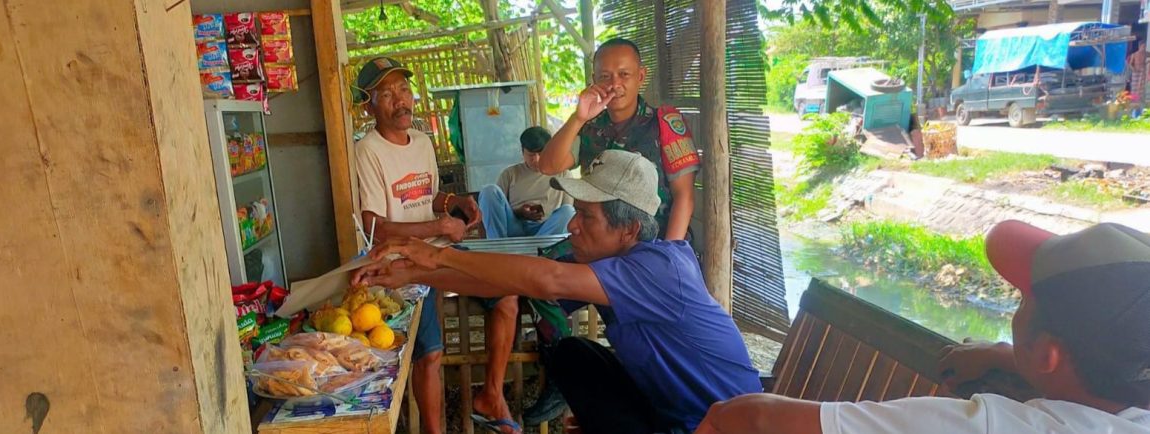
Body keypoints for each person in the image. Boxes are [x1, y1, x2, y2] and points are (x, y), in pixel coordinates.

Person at [352, 150, 762, 434]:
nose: (573, 227)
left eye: (586, 216)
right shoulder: (606, 268)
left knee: (576, 357)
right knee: (573, 356)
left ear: (630, 229)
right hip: (670, 410)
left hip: (725, 423)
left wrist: (438, 256)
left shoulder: (661, 267)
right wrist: (409, 274)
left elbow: (547, 279)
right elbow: (506, 283)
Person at [694, 220, 1150, 434]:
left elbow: (753, 418)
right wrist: (1003, 354)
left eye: (1023, 298)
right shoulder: (1129, 389)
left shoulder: (994, 427)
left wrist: (719, 417)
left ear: (1050, 354)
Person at [352, 56, 520, 434]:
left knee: (507, 296)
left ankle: (491, 395)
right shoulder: (368, 151)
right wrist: (441, 224)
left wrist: (454, 202)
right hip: (401, 261)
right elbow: (374, 226)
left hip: (440, 249)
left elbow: (426, 196)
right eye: (386, 93)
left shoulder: (423, 141)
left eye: (404, 89)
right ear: (369, 104)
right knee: (429, 353)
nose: (400, 100)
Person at [537, 38, 700, 241]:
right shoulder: (590, 127)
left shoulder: (663, 124)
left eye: (624, 75)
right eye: (605, 76)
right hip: (599, 244)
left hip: (651, 242)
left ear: (640, 76)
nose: (615, 84)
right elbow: (547, 166)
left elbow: (684, 196)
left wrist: (668, 254)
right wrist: (578, 118)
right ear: (594, 79)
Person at [478, 126, 576, 238]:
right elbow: (497, 210)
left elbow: (567, 214)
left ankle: (538, 248)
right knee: (489, 191)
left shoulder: (563, 174)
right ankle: (498, 245)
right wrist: (520, 213)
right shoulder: (510, 174)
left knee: (568, 211)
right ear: (522, 151)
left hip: (547, 230)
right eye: (531, 155)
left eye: (541, 153)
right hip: (515, 228)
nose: (536, 159)